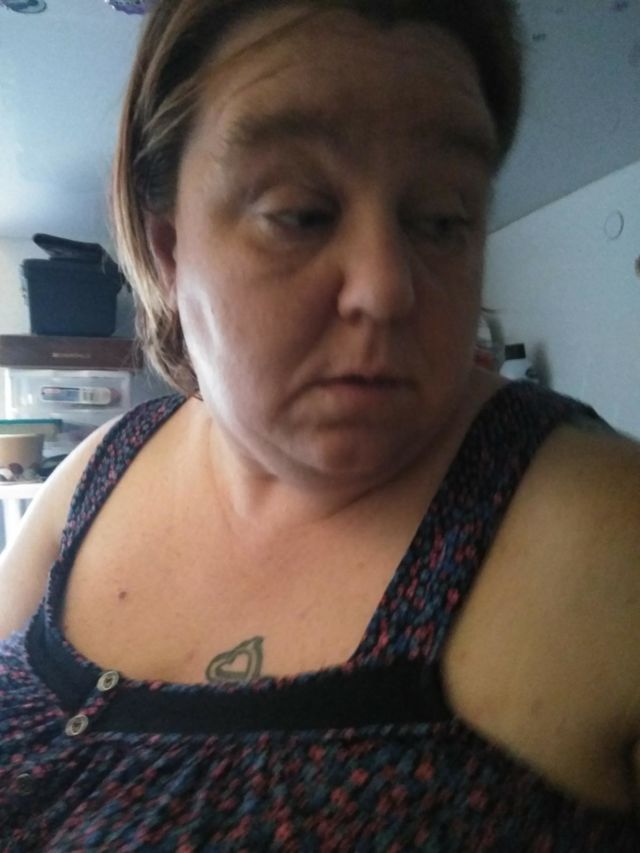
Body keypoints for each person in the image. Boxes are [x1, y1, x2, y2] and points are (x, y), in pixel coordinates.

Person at [0, 0, 638, 847]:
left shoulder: (608, 532)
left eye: (443, 219)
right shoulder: (90, 476)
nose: (386, 288)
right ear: (168, 248)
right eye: (300, 211)